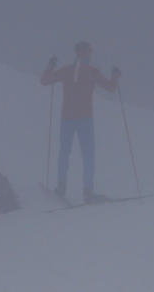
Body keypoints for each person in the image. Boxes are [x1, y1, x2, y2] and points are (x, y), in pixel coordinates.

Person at [41, 41, 120, 203]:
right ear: (86, 53)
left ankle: (61, 187)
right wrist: (115, 75)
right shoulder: (92, 71)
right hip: (84, 119)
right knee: (88, 155)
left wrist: (50, 65)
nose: (90, 55)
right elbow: (111, 88)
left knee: (64, 153)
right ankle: (87, 191)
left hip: (67, 118)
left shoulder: (67, 70)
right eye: (89, 52)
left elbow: (45, 81)